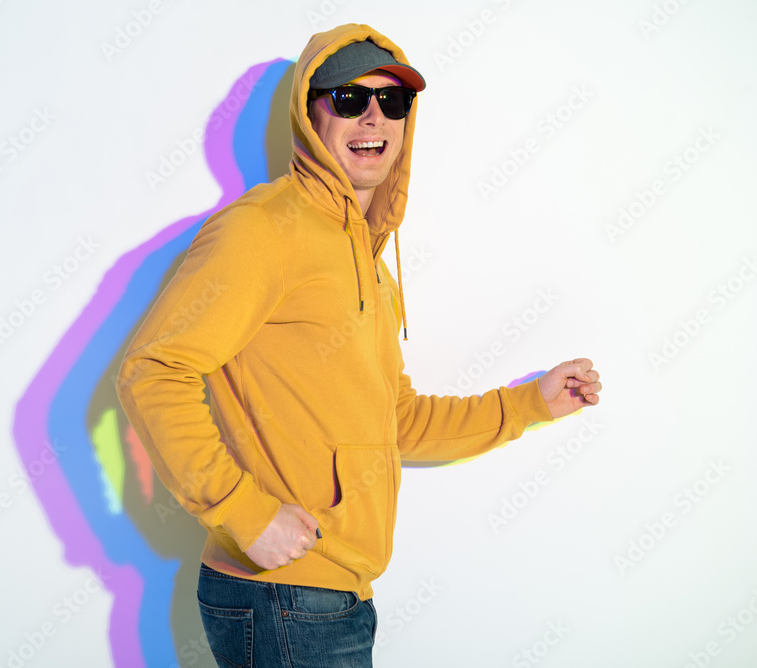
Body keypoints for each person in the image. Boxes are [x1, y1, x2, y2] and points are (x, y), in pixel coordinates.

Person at [116, 23, 601, 668]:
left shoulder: (369, 261)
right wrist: (246, 513)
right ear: (310, 113)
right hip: (282, 597)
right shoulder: (263, 229)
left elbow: (396, 421)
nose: (374, 117)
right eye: (349, 99)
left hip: (332, 596)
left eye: (392, 102)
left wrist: (528, 405)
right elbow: (153, 370)